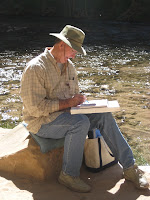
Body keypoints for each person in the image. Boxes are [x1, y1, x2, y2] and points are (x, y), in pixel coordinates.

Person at [20, 25, 149, 193]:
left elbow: (72, 98)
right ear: (62, 45)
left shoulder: (70, 67)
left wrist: (81, 102)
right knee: (79, 123)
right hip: (41, 122)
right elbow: (34, 109)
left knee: (104, 115)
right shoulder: (36, 68)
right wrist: (69, 103)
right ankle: (68, 175)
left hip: (67, 115)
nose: (75, 55)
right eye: (74, 50)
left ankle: (130, 167)